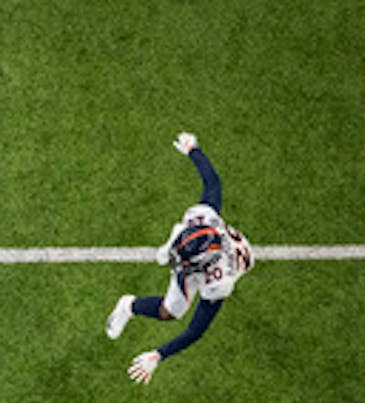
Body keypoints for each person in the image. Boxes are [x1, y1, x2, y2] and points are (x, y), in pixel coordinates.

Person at [105, 132, 254, 384]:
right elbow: (213, 184)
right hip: (209, 254)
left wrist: (159, 354)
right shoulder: (203, 218)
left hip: (225, 263)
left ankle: (128, 305)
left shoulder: (218, 282)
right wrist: (193, 150)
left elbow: (196, 330)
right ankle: (134, 299)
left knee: (170, 312)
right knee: (172, 250)